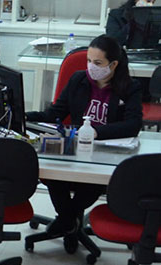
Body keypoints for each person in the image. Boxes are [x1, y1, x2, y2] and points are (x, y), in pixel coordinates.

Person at [26, 34, 143, 237]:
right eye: (89, 61)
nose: (91, 66)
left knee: (90, 185)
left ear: (113, 64)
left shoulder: (129, 88)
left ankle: (66, 221)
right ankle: (69, 220)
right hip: (75, 150)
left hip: (104, 153)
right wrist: (24, 116)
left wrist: (96, 132)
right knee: (53, 172)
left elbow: (133, 125)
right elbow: (54, 115)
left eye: (98, 63)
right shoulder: (78, 80)